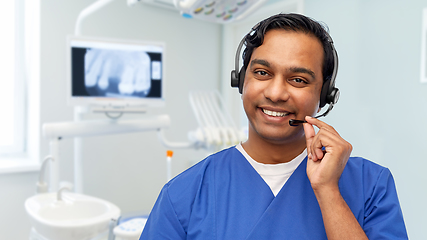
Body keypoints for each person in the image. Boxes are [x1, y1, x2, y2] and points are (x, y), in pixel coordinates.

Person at [140, 13, 408, 239]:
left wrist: (329, 193)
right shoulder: (183, 195)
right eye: (262, 73)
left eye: (299, 80)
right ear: (241, 80)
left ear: (324, 95)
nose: (276, 93)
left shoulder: (371, 185)